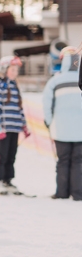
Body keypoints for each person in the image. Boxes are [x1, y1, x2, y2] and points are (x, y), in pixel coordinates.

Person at [42, 46, 82, 200]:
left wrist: (49, 122)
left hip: (61, 130)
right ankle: (78, 193)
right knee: (78, 162)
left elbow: (47, 104)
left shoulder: (55, 81)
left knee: (63, 161)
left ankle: (62, 193)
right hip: (80, 130)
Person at [0, 56, 30, 195]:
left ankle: (7, 179)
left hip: (15, 126)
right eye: (12, 69)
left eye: (16, 70)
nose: (15, 72)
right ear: (4, 69)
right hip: (4, 127)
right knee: (2, 154)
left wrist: (24, 126)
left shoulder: (15, 87)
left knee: (12, 155)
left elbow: (19, 108)